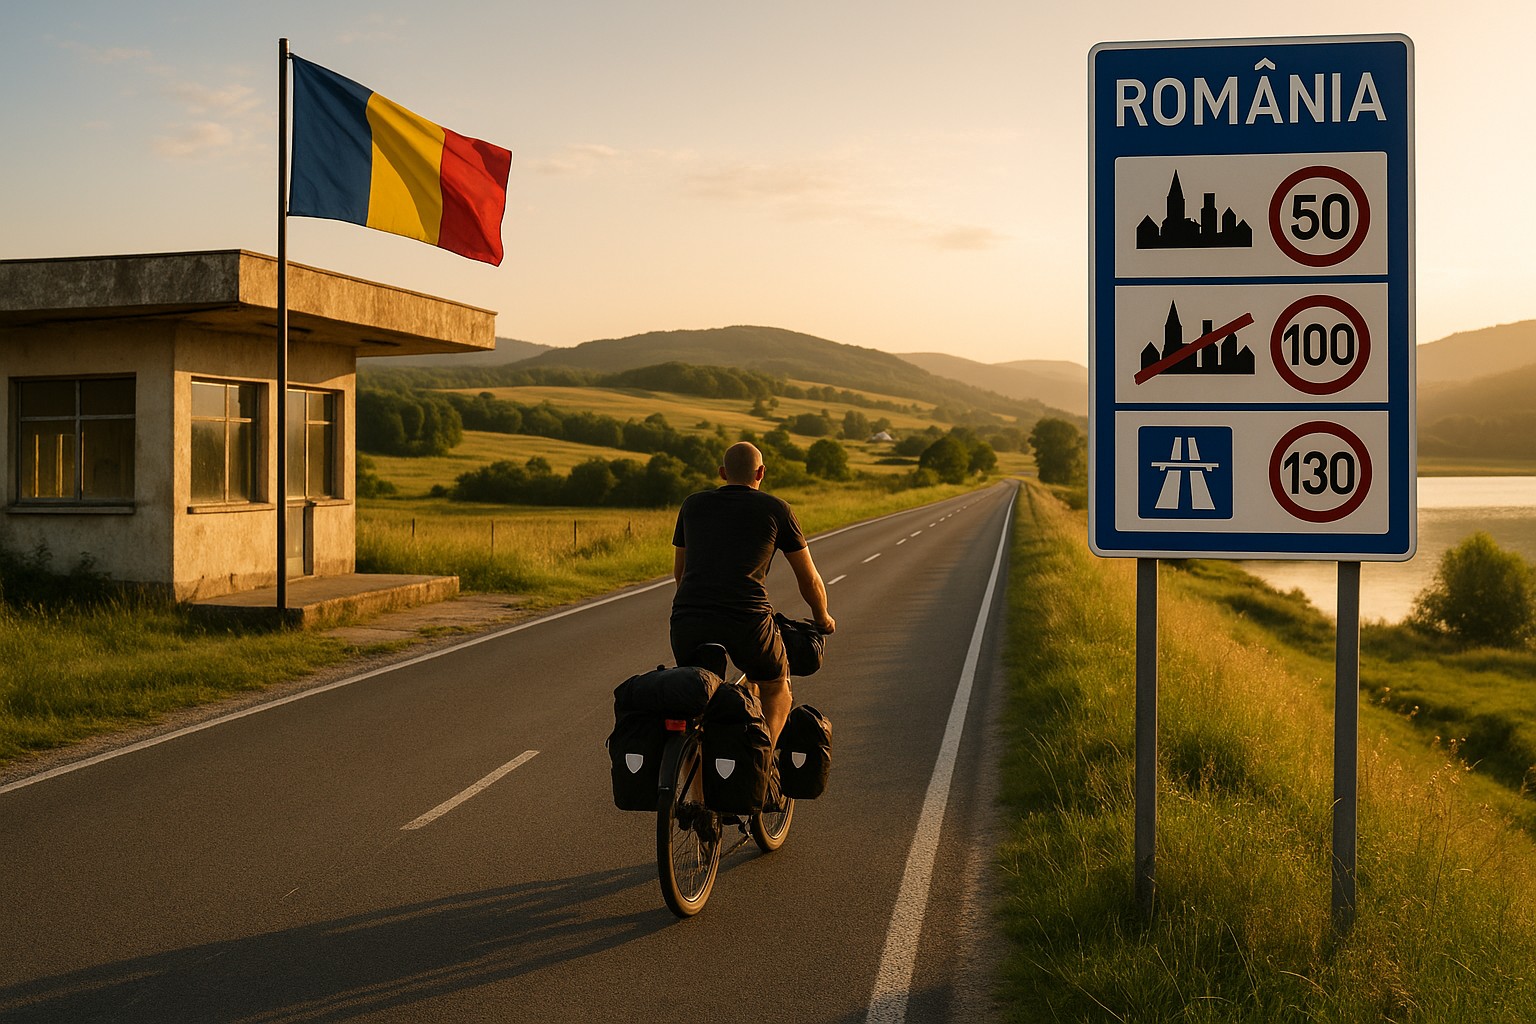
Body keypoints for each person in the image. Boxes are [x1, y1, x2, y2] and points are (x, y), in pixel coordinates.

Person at [670, 441, 835, 745]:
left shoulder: (692, 504)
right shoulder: (776, 508)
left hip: (688, 618)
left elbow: (680, 574)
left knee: (698, 700)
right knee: (775, 685)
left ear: (722, 473)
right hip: (747, 619)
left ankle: (697, 792)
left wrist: (698, 605)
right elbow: (809, 578)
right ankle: (763, 766)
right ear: (761, 472)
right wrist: (822, 618)